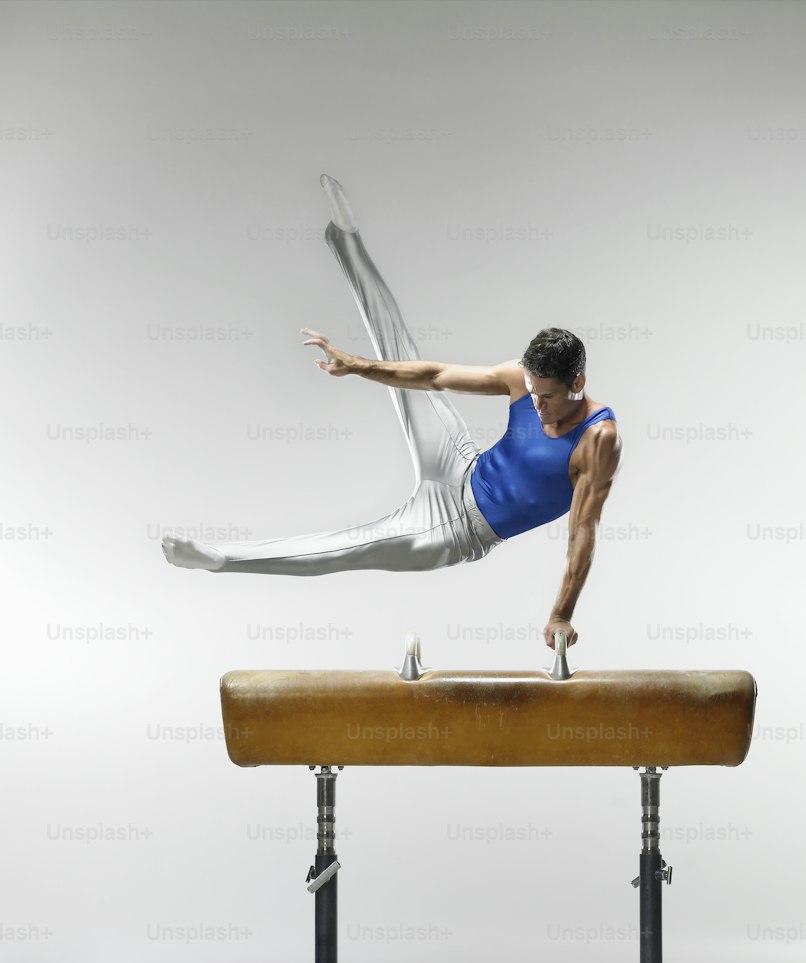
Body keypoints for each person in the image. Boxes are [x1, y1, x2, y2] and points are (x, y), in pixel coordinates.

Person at [161, 177, 621, 649]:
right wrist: (358, 366)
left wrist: (561, 614)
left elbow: (582, 532)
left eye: (547, 397)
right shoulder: (521, 375)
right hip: (460, 462)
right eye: (531, 391)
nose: (536, 404)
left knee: (345, 549)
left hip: (457, 529)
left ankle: (221, 558)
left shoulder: (597, 441)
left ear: (578, 384)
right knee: (403, 347)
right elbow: (436, 375)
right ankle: (347, 238)